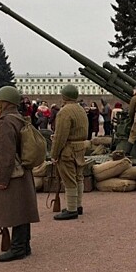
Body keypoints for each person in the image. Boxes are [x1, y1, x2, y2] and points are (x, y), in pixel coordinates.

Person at [0, 86, 39, 262]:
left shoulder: (4, 123)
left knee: (15, 209)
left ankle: (18, 248)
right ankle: (24, 245)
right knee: (23, 208)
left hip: (13, 173)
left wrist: (1, 179)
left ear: (4, 102)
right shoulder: (19, 119)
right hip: (23, 170)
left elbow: (4, 155)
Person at [50, 85, 88, 220]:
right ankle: (77, 206)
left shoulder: (64, 112)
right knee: (79, 177)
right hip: (80, 147)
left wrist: (54, 155)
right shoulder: (81, 109)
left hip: (68, 149)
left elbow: (60, 136)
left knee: (69, 179)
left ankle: (71, 209)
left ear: (64, 97)